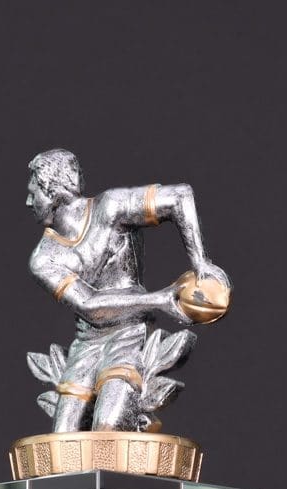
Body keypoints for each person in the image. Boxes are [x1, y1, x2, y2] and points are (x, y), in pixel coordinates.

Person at [26, 149, 230, 432]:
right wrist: (161, 299)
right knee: (63, 438)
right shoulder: (44, 257)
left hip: (128, 336)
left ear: (54, 191)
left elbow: (179, 196)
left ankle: (133, 425)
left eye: (33, 192)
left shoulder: (110, 207)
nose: (28, 202)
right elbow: (89, 305)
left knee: (108, 427)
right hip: (86, 345)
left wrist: (200, 262)